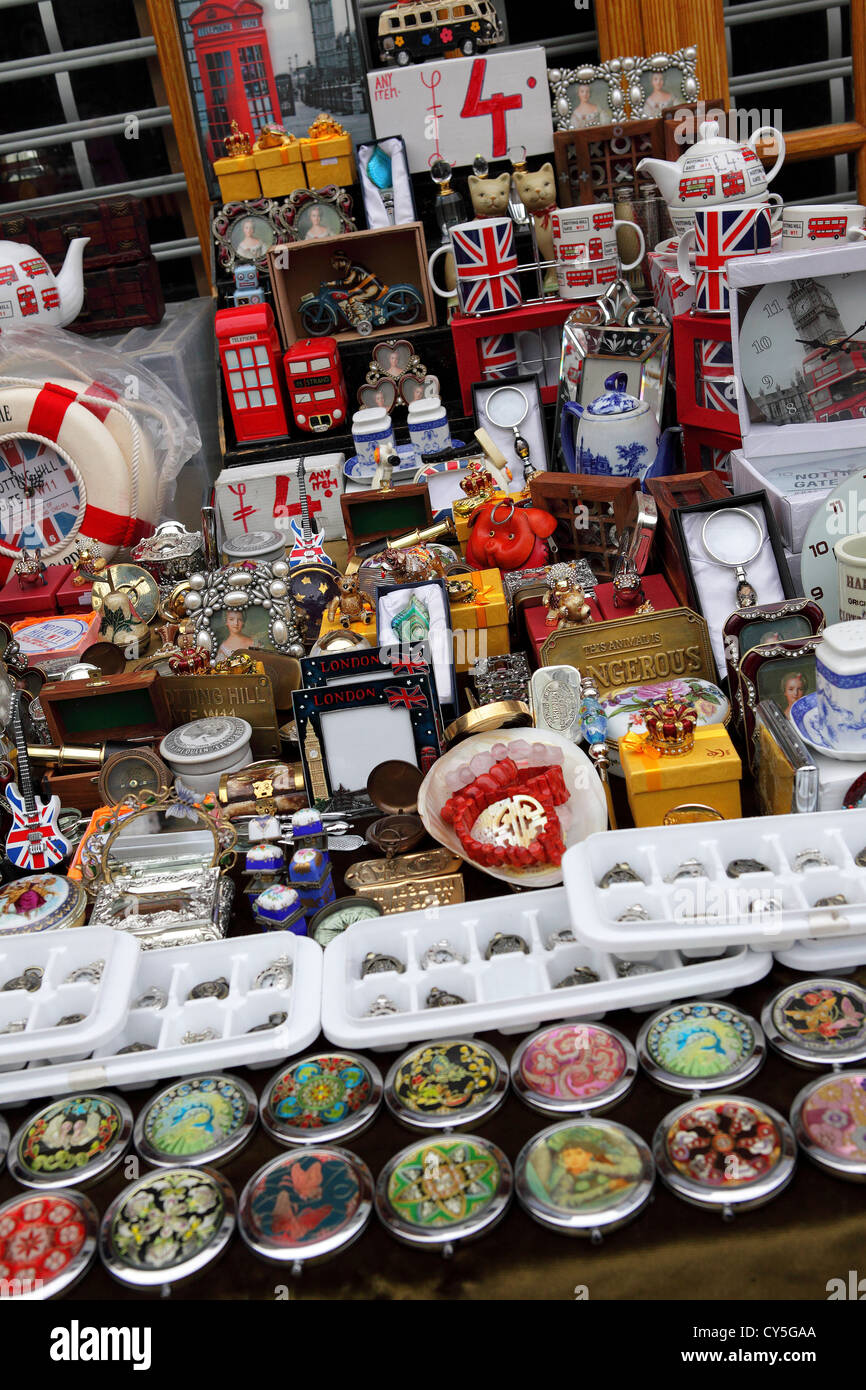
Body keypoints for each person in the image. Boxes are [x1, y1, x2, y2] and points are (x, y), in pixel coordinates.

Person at [329, 251, 387, 325]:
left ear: (341, 261)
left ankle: (364, 321)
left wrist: (330, 283)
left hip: (372, 288)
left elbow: (348, 281)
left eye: (334, 263)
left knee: (353, 299)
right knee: (351, 296)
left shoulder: (354, 268)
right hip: (368, 287)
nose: (334, 266)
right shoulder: (352, 266)